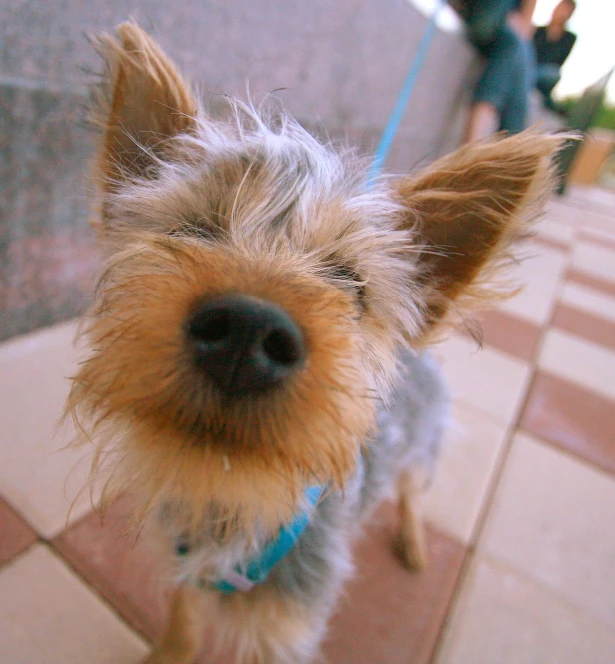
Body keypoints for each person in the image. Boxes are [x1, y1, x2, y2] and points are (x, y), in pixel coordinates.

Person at [457, 0, 538, 142]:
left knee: (522, 56)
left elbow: (524, 27)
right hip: (489, 14)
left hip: (502, 24)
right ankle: (506, 149)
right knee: (518, 48)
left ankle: (479, 152)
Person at [533, 0, 577, 114]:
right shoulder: (538, 31)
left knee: (553, 73)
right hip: (532, 68)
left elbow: (559, 61)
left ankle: (545, 99)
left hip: (547, 73)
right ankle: (547, 101)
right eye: (559, 8)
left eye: (564, 9)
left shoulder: (569, 38)